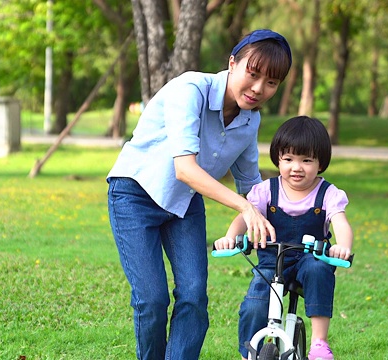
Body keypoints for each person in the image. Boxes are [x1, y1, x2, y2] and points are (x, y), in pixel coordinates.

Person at [106, 29, 292, 360]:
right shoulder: (190, 89)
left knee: (193, 295)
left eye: (271, 82)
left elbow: (251, 186)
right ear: (233, 63)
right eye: (253, 74)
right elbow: (185, 169)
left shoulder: (251, 120)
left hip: (184, 204)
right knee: (152, 298)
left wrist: (291, 212)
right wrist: (244, 209)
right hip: (135, 193)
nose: (259, 89)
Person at [213, 116, 354, 360]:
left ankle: (320, 343)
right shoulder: (266, 190)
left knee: (319, 270)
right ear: (278, 159)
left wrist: (342, 246)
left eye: (306, 160)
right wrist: (229, 237)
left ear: (321, 163)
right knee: (254, 304)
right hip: (272, 261)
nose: (296, 167)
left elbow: (340, 222)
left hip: (309, 259)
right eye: (288, 159)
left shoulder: (328, 193)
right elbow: (245, 216)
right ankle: (249, 354)